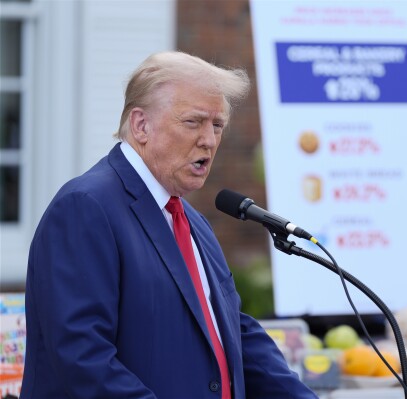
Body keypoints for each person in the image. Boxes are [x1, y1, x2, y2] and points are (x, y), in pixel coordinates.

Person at [21, 51, 318, 398]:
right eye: (193, 122)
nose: (209, 139)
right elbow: (82, 358)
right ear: (141, 125)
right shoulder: (85, 207)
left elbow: (233, 331)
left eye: (217, 125)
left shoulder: (192, 221)